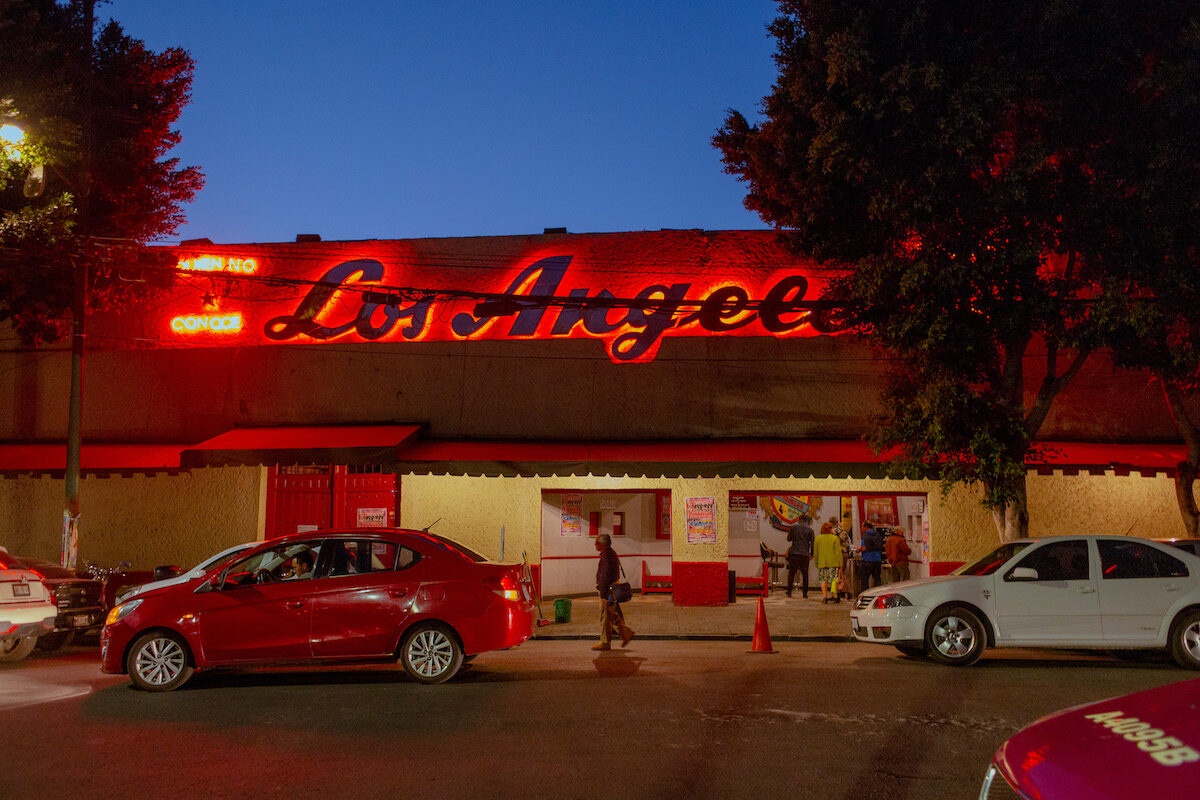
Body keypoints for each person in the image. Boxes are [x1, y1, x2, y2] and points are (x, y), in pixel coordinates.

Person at [593, 533, 633, 651]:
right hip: (612, 588)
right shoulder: (611, 553)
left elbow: (605, 576)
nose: (595, 545)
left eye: (596, 542)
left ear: (602, 544)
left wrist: (603, 593)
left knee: (605, 616)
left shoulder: (606, 556)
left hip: (608, 590)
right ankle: (625, 633)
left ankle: (605, 642)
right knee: (614, 614)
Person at [785, 514, 815, 598]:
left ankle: (789, 592)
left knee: (792, 573)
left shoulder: (793, 527)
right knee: (805, 574)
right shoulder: (810, 530)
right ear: (806, 520)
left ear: (798, 519)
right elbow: (812, 543)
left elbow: (788, 539)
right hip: (805, 554)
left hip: (794, 553)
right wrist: (811, 554)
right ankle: (805, 594)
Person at [813, 520, 842, 603]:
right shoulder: (835, 538)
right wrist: (840, 564)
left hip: (822, 563)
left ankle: (825, 597)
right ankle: (835, 596)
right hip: (833, 563)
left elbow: (816, 552)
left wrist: (816, 563)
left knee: (823, 580)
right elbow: (838, 552)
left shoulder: (818, 538)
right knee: (834, 580)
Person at [859, 523, 884, 593]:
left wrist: (858, 549)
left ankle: (865, 594)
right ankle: (877, 594)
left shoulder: (865, 535)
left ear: (866, 527)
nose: (861, 528)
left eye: (862, 526)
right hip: (877, 559)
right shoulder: (878, 535)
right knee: (877, 578)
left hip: (867, 559)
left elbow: (864, 548)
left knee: (865, 579)